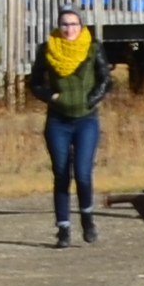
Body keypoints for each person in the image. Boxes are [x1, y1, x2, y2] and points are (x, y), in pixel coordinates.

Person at [23, 12, 110, 245]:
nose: (69, 28)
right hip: (58, 121)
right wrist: (50, 96)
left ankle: (87, 218)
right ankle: (63, 229)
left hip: (86, 120)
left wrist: (91, 100)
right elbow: (35, 82)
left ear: (81, 26)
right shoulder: (47, 49)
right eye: (64, 24)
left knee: (82, 173)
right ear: (58, 26)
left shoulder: (93, 47)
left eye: (73, 24)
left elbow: (105, 79)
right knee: (61, 174)